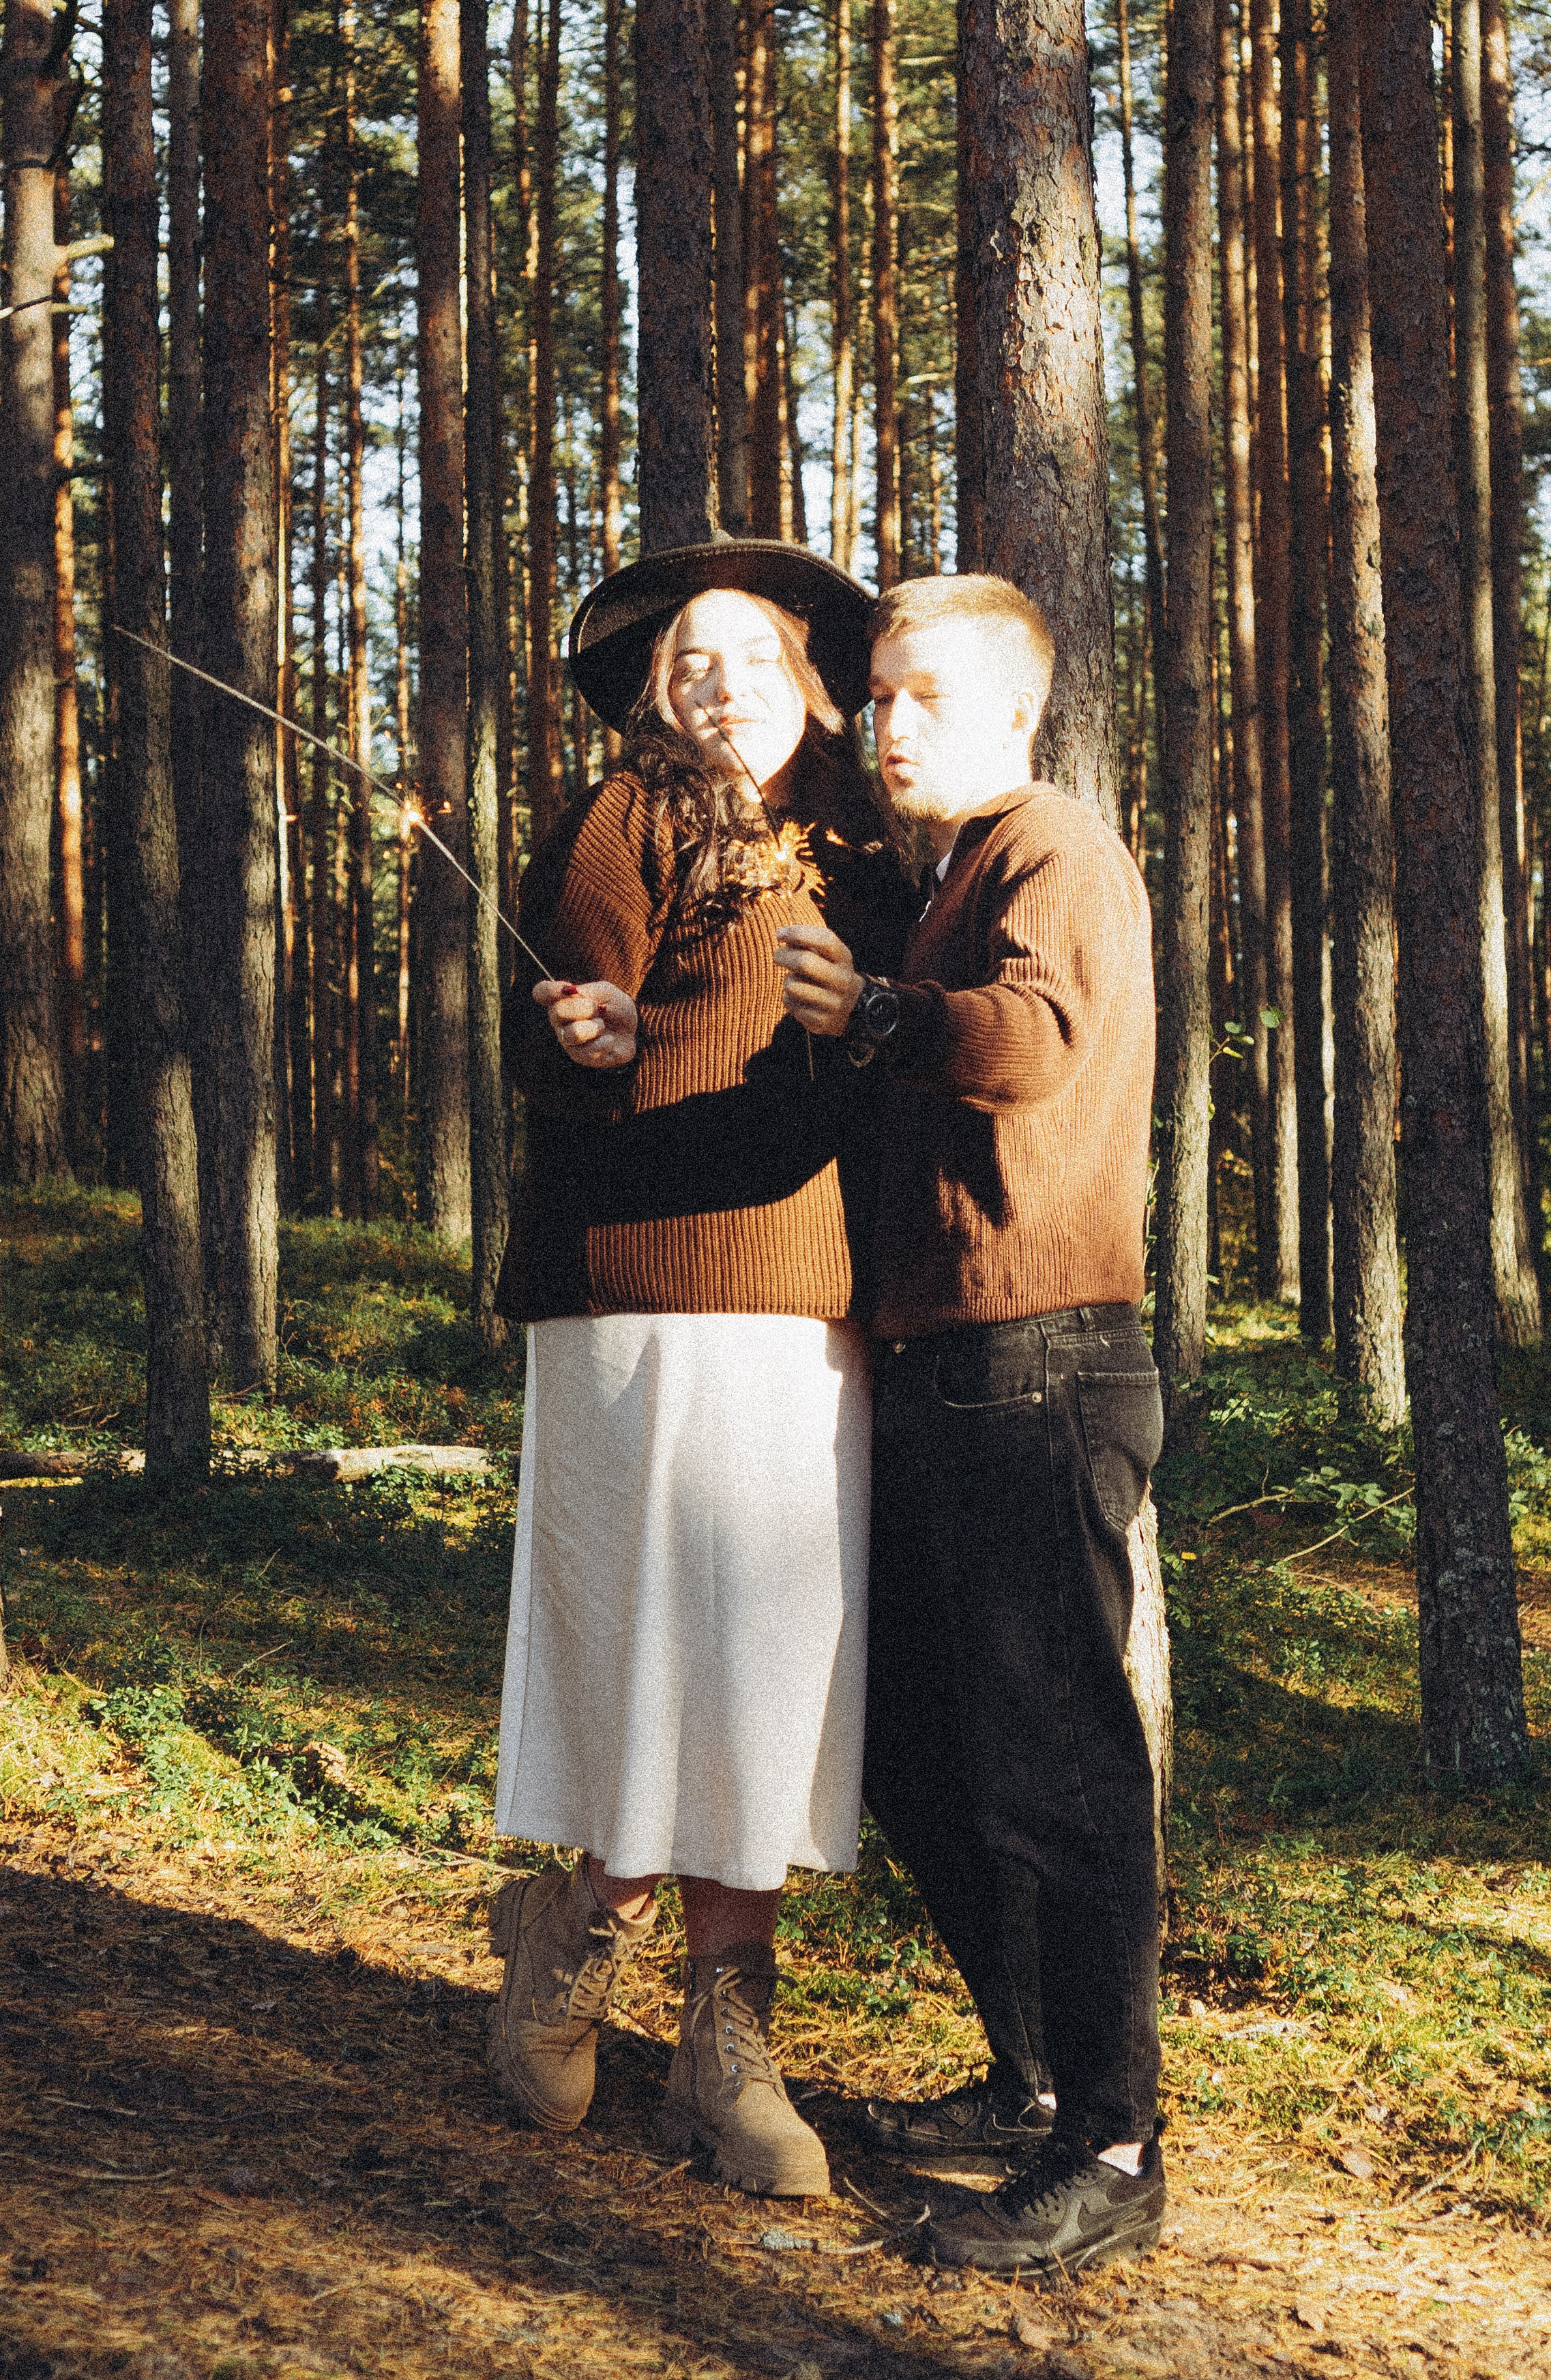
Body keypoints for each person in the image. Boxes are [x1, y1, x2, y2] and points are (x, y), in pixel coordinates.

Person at [487, 538, 914, 2200]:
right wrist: (579, 1033)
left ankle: (727, 2036)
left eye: (748, 649)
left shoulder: (874, 850)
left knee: (766, 1659)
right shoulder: (627, 817)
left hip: (809, 1299)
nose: (714, 673)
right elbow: (556, 1010)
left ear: (810, 680)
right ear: (654, 695)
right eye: (685, 657)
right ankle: (578, 1924)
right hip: (630, 1293)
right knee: (635, 1631)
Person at [774, 571, 1166, 2272]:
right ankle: (1024, 2084)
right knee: (925, 1756)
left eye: (928, 695)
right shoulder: (928, 881)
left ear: (1016, 712)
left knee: (1058, 1770)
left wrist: (880, 1014)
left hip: (1040, 1363)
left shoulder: (1049, 847)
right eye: (876, 696)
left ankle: (1115, 2143)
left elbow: (1029, 1039)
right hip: (936, 1364)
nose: (891, 723)